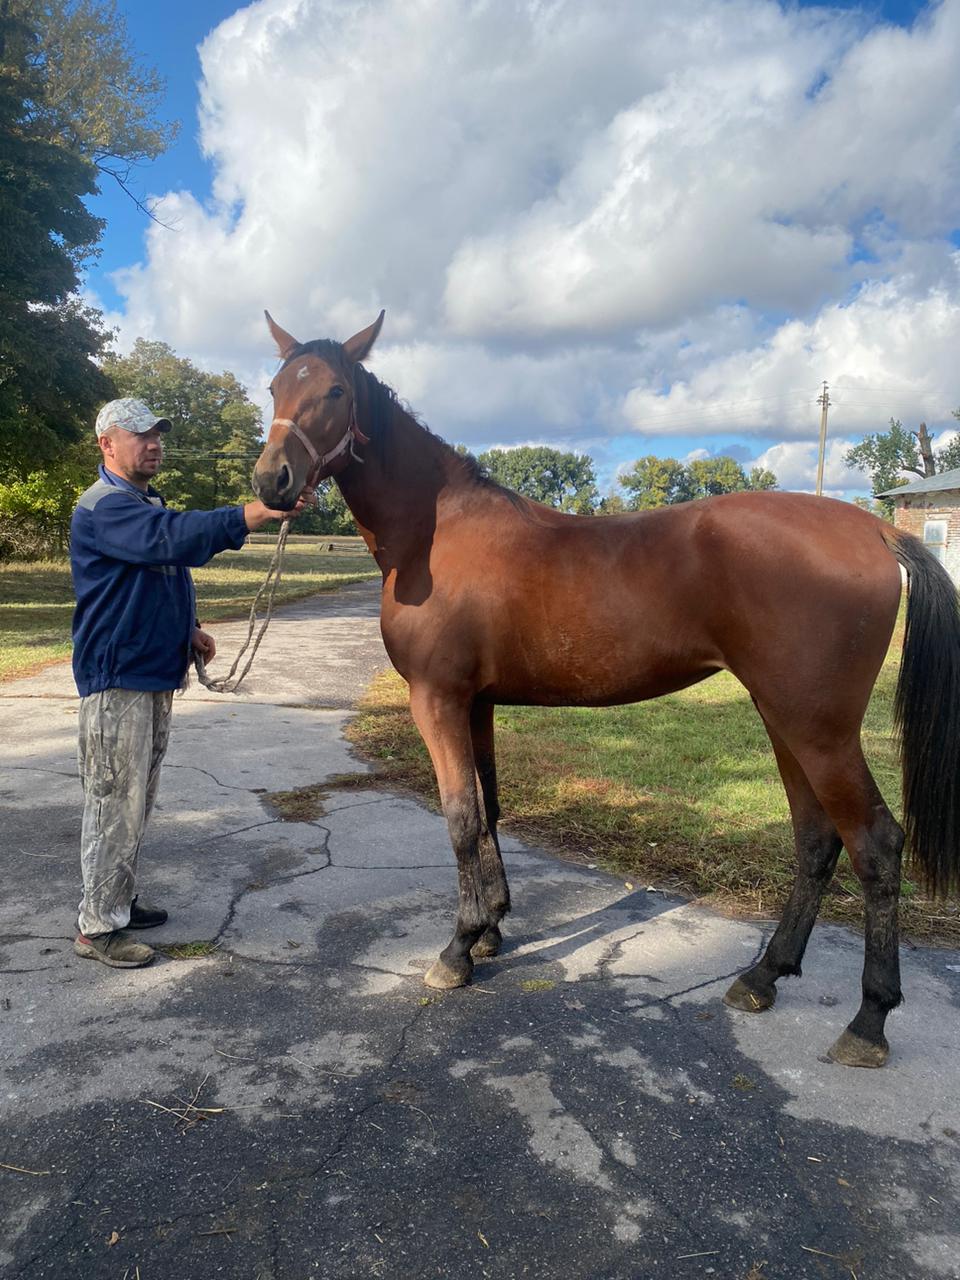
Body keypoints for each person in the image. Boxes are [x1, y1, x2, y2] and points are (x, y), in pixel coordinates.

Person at [69, 397, 308, 968]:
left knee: (136, 799)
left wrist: (190, 628)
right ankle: (98, 927)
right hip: (117, 678)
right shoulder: (105, 507)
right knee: (113, 802)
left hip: (151, 671)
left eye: (157, 435)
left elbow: (161, 570)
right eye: (140, 435)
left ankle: (117, 899)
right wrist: (253, 513)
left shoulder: (142, 500)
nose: (154, 444)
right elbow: (170, 539)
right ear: (107, 444)